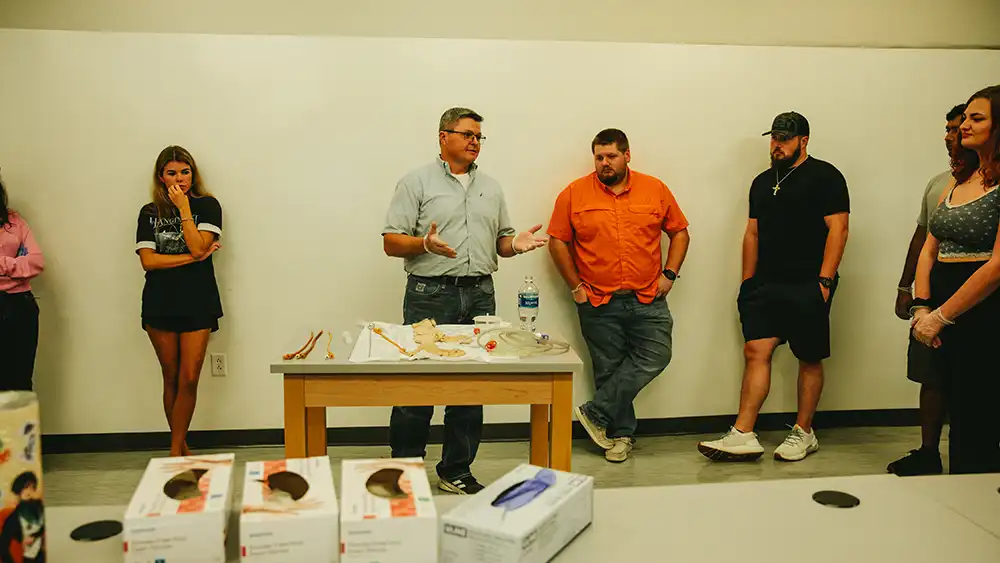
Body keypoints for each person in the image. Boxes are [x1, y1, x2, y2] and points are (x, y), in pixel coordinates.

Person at [382, 107, 546, 494]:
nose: (475, 142)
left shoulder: (491, 186)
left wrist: (514, 245)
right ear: (443, 137)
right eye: (467, 134)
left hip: (480, 294)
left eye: (479, 137)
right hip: (430, 295)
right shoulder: (416, 182)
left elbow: (502, 243)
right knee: (416, 388)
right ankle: (405, 473)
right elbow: (391, 242)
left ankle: (456, 470)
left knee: (471, 387)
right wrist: (424, 243)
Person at [698, 111, 850, 462]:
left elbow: (838, 229)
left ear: (803, 141)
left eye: (784, 138)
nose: (777, 144)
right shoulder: (762, 182)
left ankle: (803, 432)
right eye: (774, 138)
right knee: (756, 351)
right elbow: (752, 233)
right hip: (765, 283)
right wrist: (747, 283)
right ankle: (743, 433)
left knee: (808, 356)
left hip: (808, 282)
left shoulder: (826, 176)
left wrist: (825, 281)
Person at [546, 129, 690, 463]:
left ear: (627, 155)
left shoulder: (655, 189)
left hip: (647, 297)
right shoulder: (574, 193)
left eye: (611, 156)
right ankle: (620, 436)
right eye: (599, 157)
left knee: (657, 355)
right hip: (598, 300)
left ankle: (595, 413)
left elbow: (679, 232)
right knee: (608, 368)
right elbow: (557, 240)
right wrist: (576, 287)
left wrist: (669, 274)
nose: (604, 163)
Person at [911, 85, 1000, 474]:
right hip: (942, 309)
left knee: (978, 417)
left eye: (976, 118)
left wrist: (942, 316)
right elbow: (929, 246)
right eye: (964, 117)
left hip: (982, 312)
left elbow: (997, 265)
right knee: (955, 410)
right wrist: (921, 305)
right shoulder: (959, 178)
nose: (964, 125)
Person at [886, 103, 966, 476]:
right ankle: (929, 452)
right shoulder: (939, 184)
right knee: (930, 375)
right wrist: (908, 288)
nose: (950, 136)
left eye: (957, 128)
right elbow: (922, 241)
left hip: (973, 296)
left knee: (973, 378)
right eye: (948, 128)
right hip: (931, 296)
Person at [135, 146, 223, 457]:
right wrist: (192, 257)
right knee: (170, 375)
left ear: (193, 174)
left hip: (198, 300)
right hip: (160, 302)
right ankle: (179, 445)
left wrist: (184, 208)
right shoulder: (149, 212)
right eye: (172, 172)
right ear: (161, 176)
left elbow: (201, 247)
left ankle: (175, 450)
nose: (179, 178)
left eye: (185, 172)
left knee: (189, 377)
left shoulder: (208, 206)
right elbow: (149, 261)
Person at [0, 171, 45, 392]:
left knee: (19, 385)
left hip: (19, 307)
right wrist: (16, 265)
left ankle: (17, 429)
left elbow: (36, 262)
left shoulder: (14, 221)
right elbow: (26, 264)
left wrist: (3, 265)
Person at [0, 471, 44, 563]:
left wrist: (34, 536)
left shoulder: (39, 507)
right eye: (26, 487)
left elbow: (43, 525)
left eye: (32, 487)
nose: (29, 491)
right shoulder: (14, 517)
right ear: (19, 490)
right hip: (29, 559)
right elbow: (3, 545)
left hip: (42, 556)